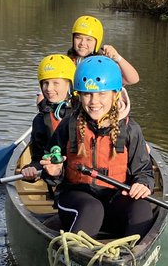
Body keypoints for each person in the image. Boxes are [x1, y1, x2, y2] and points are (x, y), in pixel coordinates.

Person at [41, 55, 155, 240]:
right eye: (87, 94)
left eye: (102, 94)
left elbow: (144, 172)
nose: (94, 101)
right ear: (79, 94)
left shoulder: (131, 130)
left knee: (142, 207)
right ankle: (75, 258)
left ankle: (132, 258)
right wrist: (53, 173)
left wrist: (143, 184)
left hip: (114, 200)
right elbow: (51, 169)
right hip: (76, 200)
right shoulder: (68, 126)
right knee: (92, 208)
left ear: (115, 94)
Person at [21, 53, 76, 182]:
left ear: (70, 85)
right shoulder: (40, 120)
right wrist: (31, 169)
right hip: (56, 180)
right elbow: (38, 158)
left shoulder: (84, 114)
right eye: (45, 83)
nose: (49, 89)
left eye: (56, 83)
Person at [68, 14, 140, 86]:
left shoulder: (103, 65)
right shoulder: (66, 62)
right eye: (78, 38)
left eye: (88, 39)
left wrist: (118, 58)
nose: (82, 43)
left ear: (97, 43)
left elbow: (133, 79)